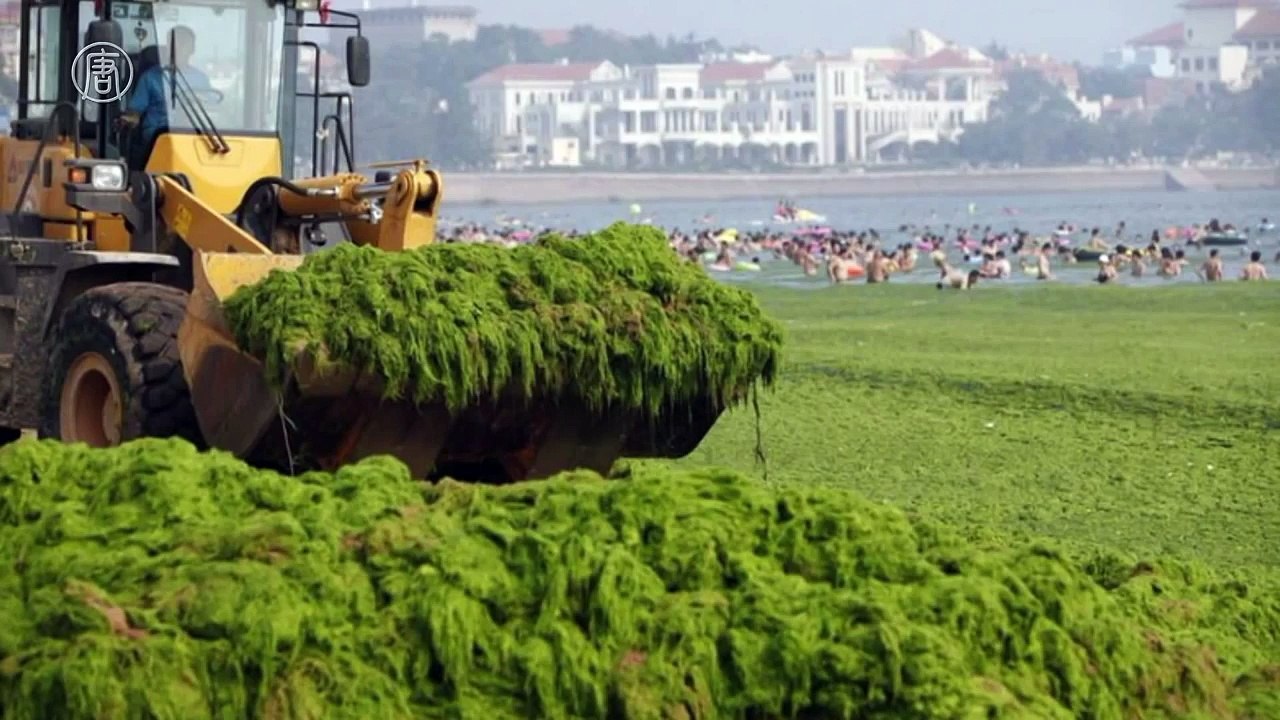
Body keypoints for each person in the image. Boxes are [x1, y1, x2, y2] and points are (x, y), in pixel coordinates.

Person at [121, 26, 212, 168]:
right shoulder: (150, 77)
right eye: (174, 43)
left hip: (193, 135)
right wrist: (128, 120)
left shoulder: (201, 79)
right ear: (167, 46)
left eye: (184, 44)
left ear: (192, 49)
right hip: (158, 137)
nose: (178, 48)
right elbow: (135, 113)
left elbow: (210, 110)